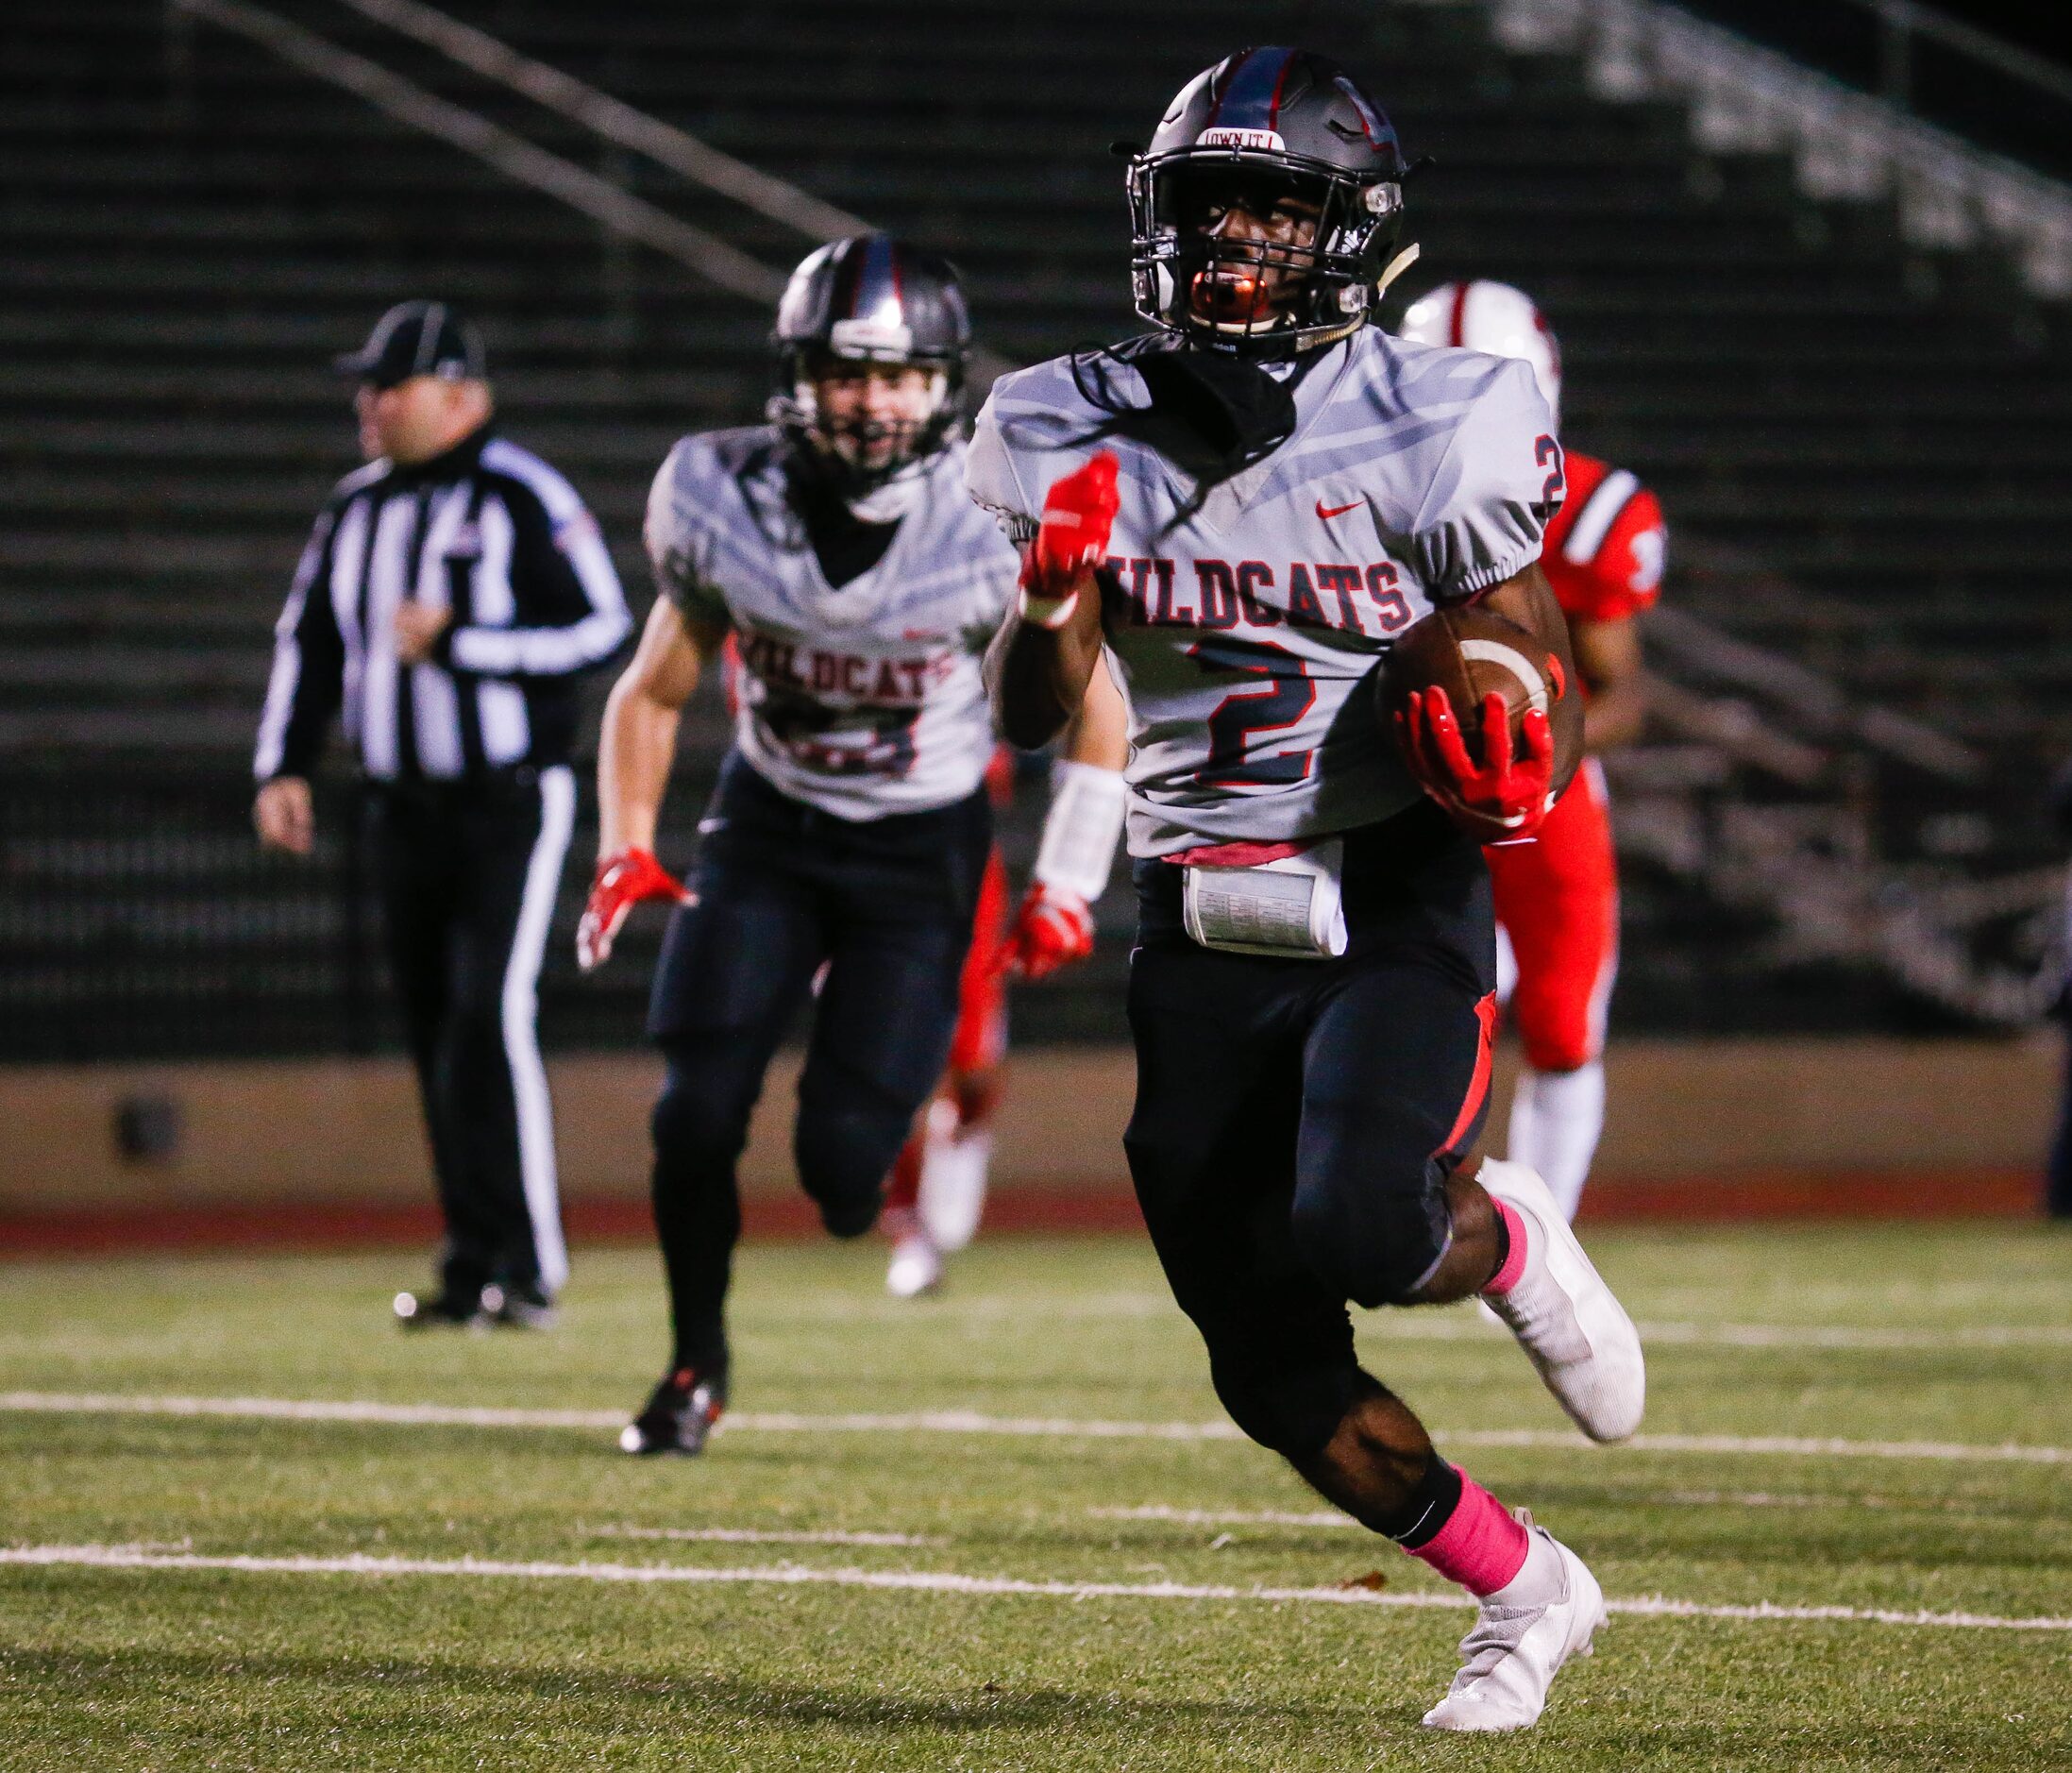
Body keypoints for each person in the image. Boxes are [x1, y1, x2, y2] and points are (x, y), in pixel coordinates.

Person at [972, 49, 1645, 1732]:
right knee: (1270, 1371)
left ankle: (1502, 1236)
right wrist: (1053, 601)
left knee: (1363, 1215)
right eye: (1207, 209)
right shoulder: (1061, 421)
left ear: (1346, 235)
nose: (1232, 244)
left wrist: (1519, 739)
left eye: (1274, 209)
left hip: (1389, 885)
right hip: (1196, 909)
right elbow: (1028, 716)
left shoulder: (1448, 416)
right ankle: (1527, 1588)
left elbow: (1534, 657)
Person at [578, 235, 1127, 1452]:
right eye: (843, 373)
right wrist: (625, 842)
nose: (870, 402)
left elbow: (1099, 706)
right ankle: (692, 1369)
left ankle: (861, 1192)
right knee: (692, 1110)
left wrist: (1070, 880)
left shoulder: (992, 514)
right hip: (769, 829)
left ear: (940, 385)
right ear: (798, 374)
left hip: (916, 850)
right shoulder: (720, 496)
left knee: (840, 1175)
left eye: (895, 377)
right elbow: (650, 692)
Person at [253, 298, 631, 1327]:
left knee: (485, 1016)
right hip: (399, 806)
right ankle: (471, 1264)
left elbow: (602, 624)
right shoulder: (355, 507)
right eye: (366, 387)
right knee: (432, 1029)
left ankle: (530, 1266)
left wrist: (470, 641)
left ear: (460, 395)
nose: (368, 405)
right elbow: (310, 640)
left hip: (506, 800)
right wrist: (282, 761)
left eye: (389, 386)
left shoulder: (520, 493)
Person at [1398, 280, 1665, 1221]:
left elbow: (1623, 690)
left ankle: (1546, 1230)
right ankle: (1399, 1208)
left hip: (1539, 799)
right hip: (1404, 791)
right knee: (1412, 1010)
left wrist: (1532, 736)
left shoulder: (1588, 511)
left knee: (1558, 1023)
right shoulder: (1358, 498)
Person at [881, 718, 1130, 1299]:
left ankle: (958, 1138)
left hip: (959, 884)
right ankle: (909, 1229)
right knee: (884, 1072)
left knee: (972, 1070)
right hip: (854, 879)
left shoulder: (958, 666)